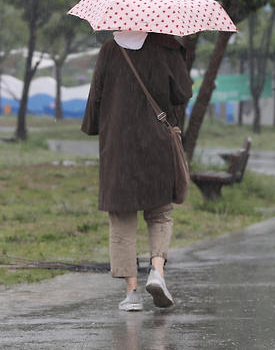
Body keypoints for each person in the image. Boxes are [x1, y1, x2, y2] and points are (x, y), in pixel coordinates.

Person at [81, 31, 193, 311]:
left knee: (122, 217)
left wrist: (96, 125)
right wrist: (177, 56)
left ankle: (132, 293)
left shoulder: (109, 49)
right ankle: (157, 271)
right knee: (160, 212)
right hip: (156, 142)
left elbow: (96, 95)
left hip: (118, 145)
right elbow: (183, 93)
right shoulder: (167, 47)